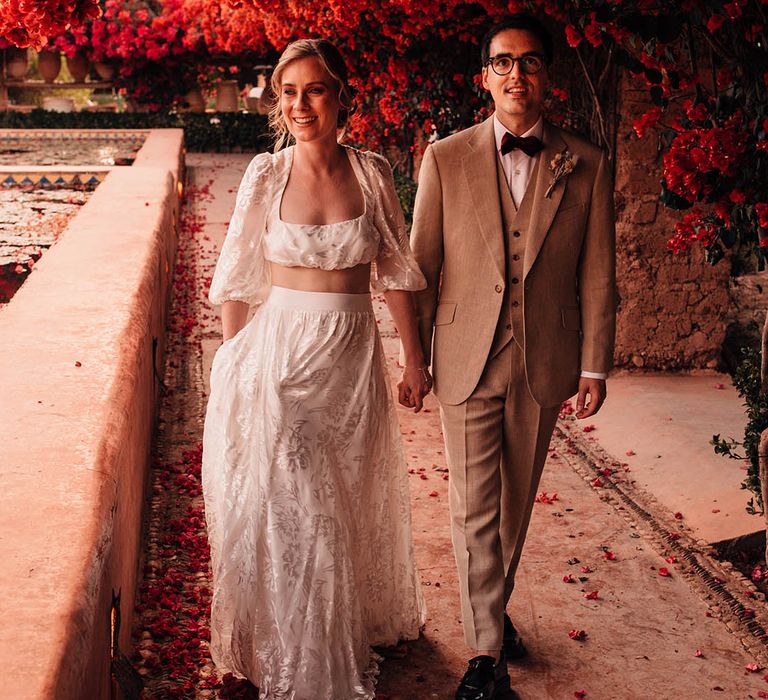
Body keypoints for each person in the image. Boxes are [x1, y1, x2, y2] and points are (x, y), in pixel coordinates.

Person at [202, 38, 430, 699]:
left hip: (352, 357)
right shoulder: (265, 175)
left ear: (341, 97)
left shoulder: (372, 173)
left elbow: (397, 273)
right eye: (290, 92)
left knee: (345, 496)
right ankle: (303, 656)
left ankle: (332, 623)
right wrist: (234, 364)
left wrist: (412, 358)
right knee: (303, 504)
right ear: (278, 101)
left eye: (316, 89)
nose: (301, 104)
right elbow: (238, 277)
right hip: (279, 357)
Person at [409, 13, 617, 700]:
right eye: (503, 62)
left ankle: (489, 614)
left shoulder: (584, 162)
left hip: (543, 359)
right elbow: (421, 266)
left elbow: (595, 272)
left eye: (529, 62)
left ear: (547, 76)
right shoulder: (446, 157)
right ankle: (483, 659)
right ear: (484, 77)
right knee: (474, 505)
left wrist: (594, 363)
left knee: (516, 503)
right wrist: (415, 357)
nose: (516, 74)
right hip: (465, 354)